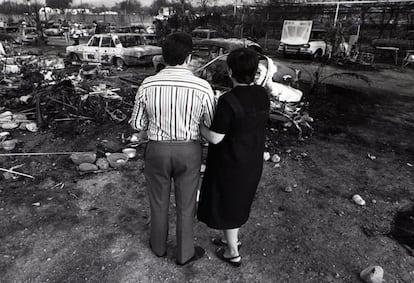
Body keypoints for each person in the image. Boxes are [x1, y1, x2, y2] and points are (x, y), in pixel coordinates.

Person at [130, 32, 216, 265]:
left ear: (164, 56)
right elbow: (210, 123)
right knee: (186, 203)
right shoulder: (202, 86)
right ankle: (185, 253)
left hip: (156, 150)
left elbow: (137, 124)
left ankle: (158, 247)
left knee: (158, 202)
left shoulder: (148, 83)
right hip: (189, 151)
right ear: (189, 57)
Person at [197, 48, 270, 267]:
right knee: (238, 203)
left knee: (229, 206)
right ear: (255, 72)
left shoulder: (228, 101)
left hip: (230, 164)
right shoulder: (262, 94)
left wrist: (200, 126)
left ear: (230, 71)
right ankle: (232, 240)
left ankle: (232, 252)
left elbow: (215, 138)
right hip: (252, 160)